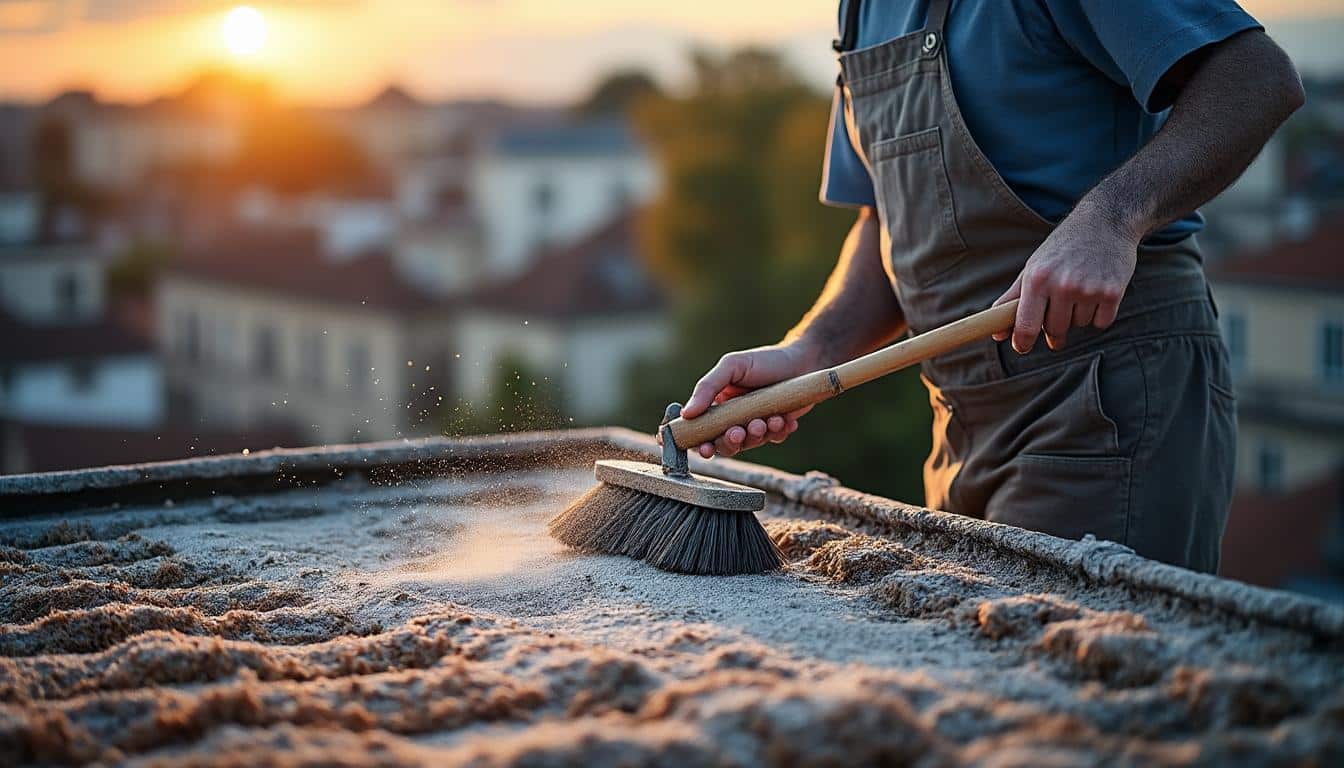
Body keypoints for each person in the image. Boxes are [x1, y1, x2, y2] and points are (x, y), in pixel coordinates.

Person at [677, 0, 1303, 573]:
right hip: (954, 423)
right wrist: (810, 351)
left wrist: (1111, 217)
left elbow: (1257, 77)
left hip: (1103, 404)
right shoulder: (861, 7)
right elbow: (891, 220)